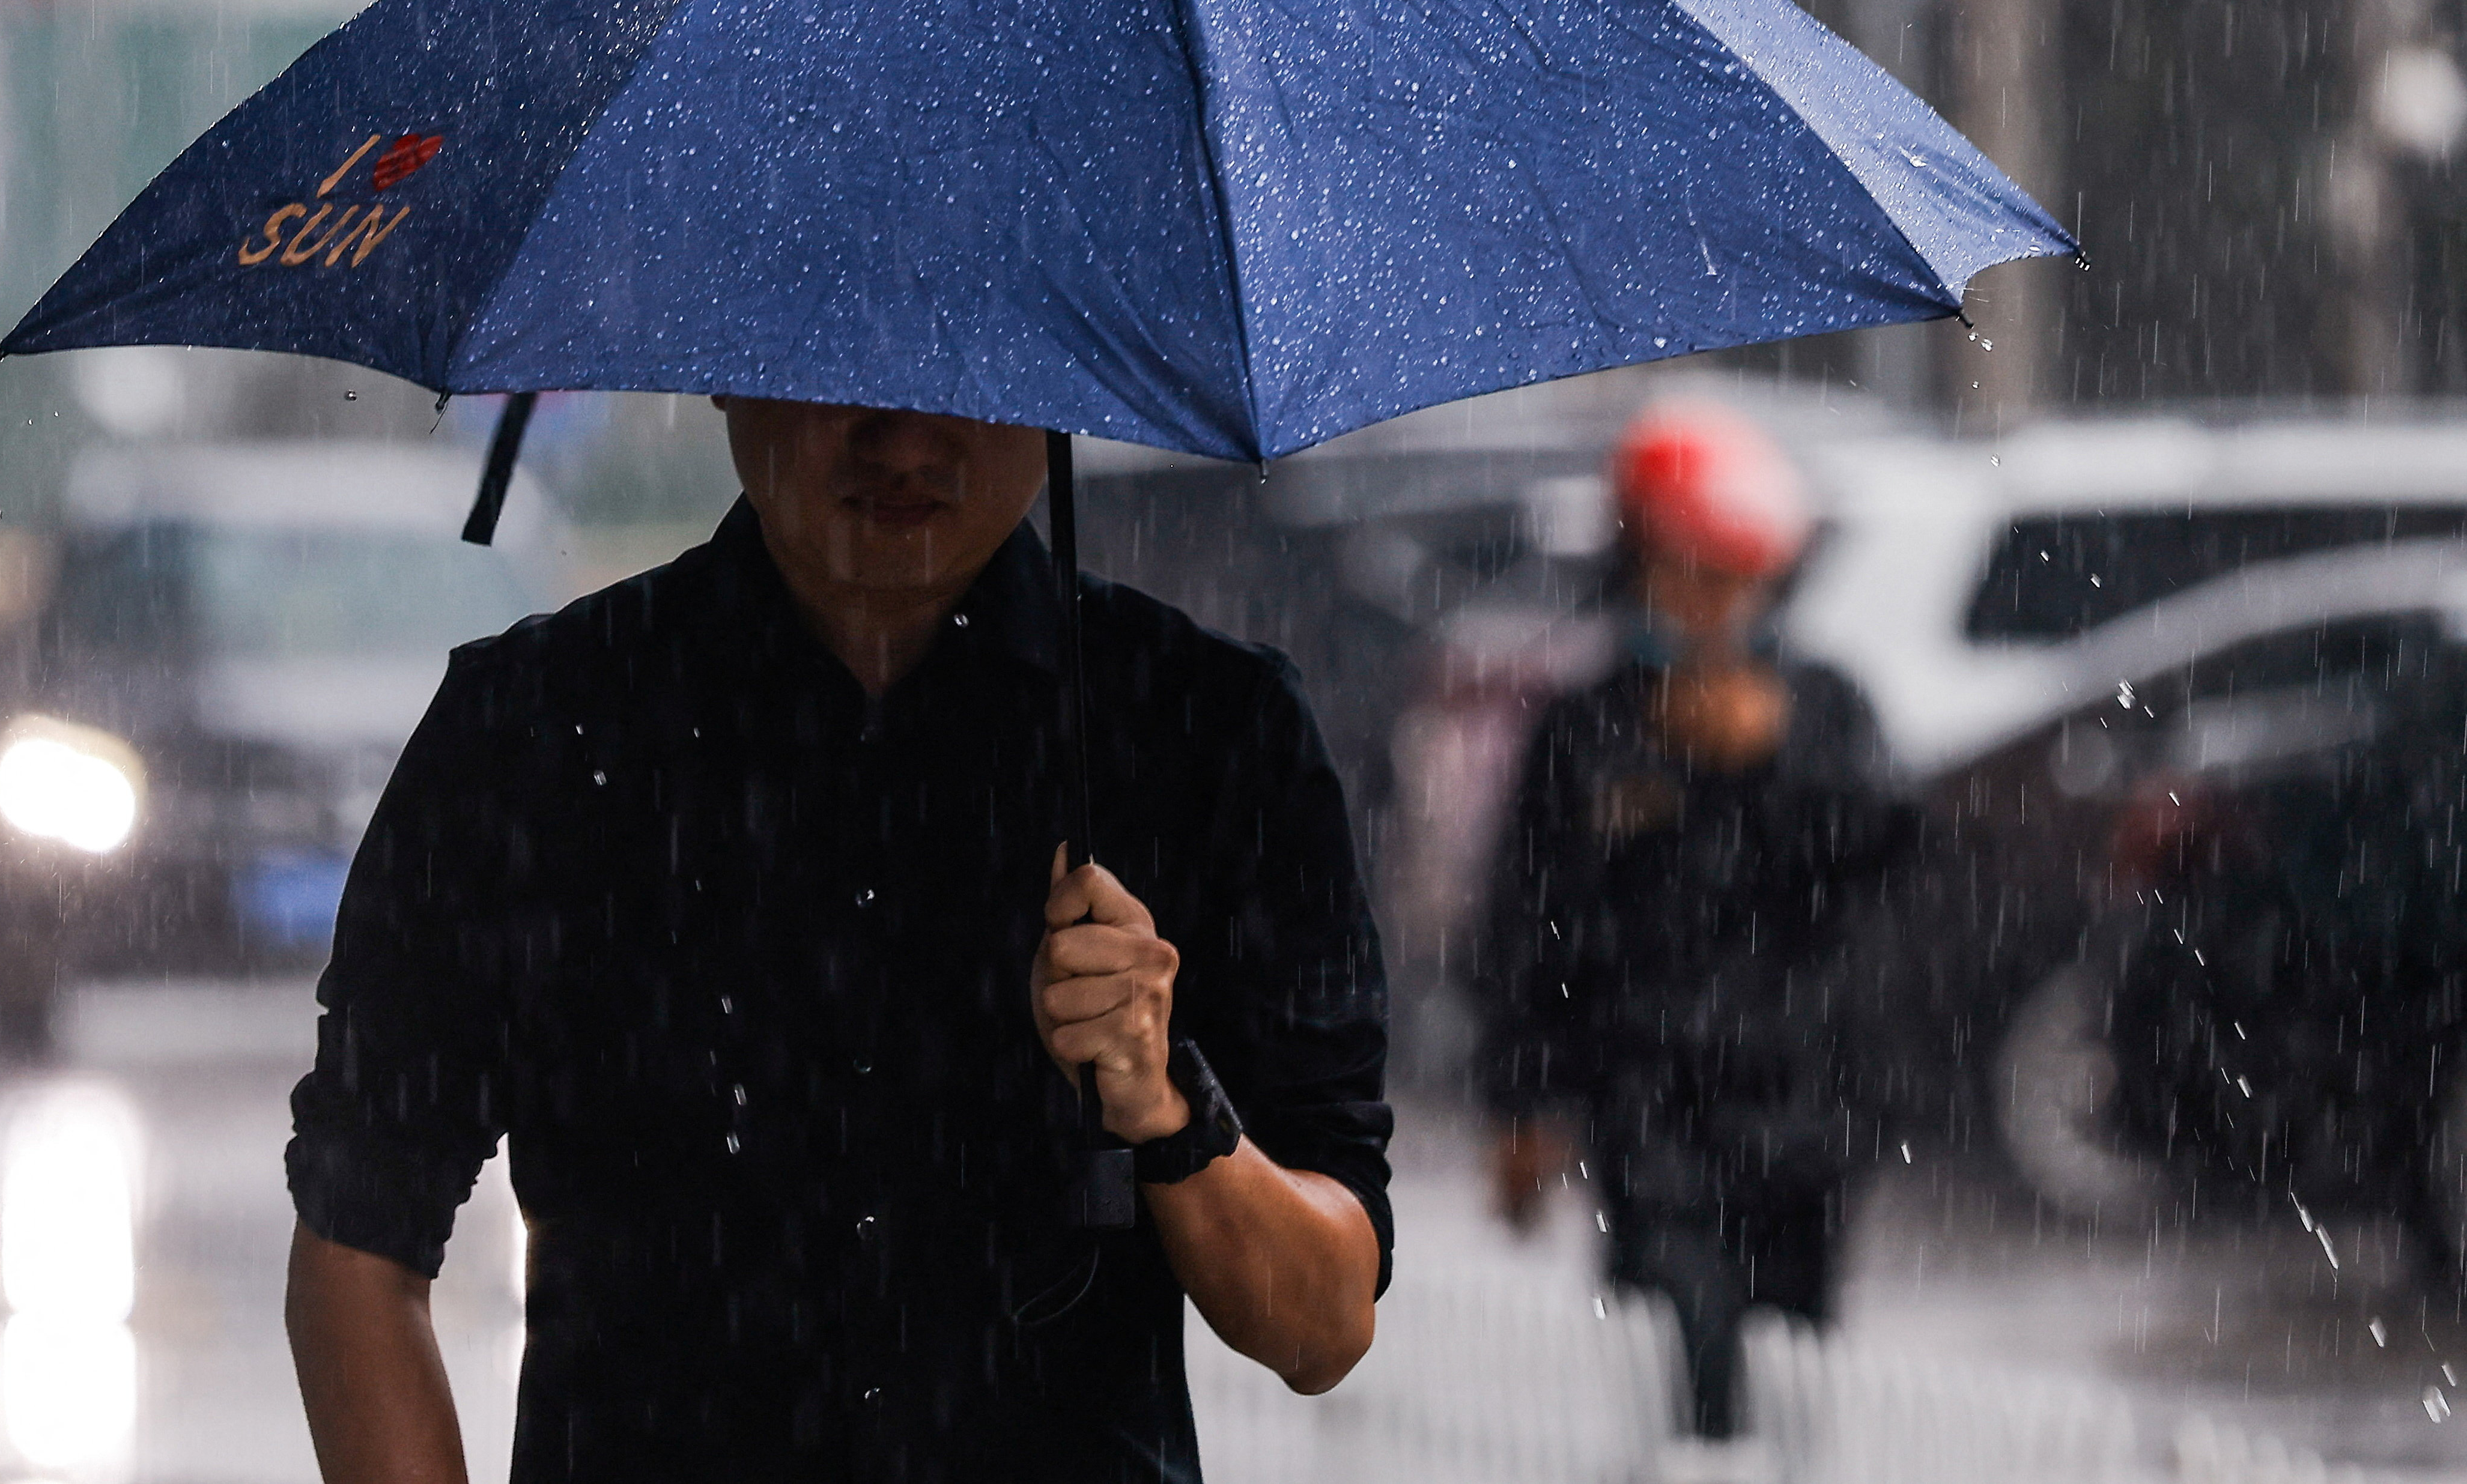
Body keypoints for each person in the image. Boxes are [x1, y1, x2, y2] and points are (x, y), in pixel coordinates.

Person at [282, 399, 1392, 1483]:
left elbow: (1321, 1326)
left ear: (1054, 387)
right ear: (725, 367)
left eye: (960, 376)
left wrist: (1165, 1108)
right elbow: (359, 1243)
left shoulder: (1207, 730)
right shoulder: (536, 725)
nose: (903, 442)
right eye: (838, 385)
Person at [1476, 398, 1917, 1442]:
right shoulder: (1586, 725)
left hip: (1803, 1105)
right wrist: (1521, 1100)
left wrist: (1772, 760)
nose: (1707, 602)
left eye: (1731, 575)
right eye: (1683, 570)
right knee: (1682, 1362)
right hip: (1650, 1115)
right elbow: (1531, 922)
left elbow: (1885, 857)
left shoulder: (1825, 705)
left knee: (1792, 1366)